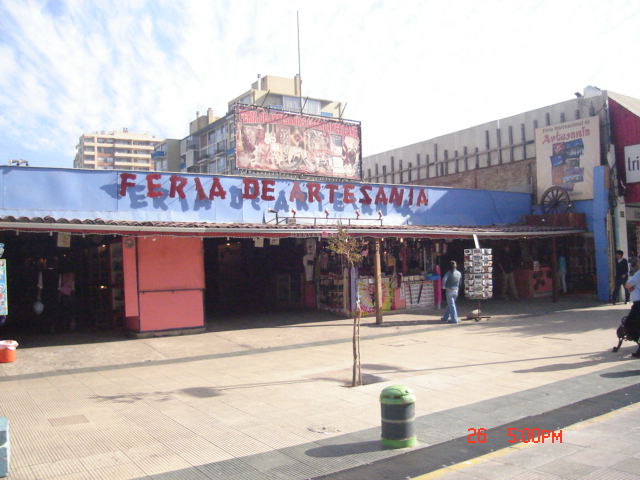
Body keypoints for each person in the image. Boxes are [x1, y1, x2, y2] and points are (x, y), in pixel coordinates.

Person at [624, 261, 640, 358]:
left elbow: (628, 285)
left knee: (630, 325)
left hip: (638, 304)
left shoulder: (639, 274)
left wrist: (631, 287)